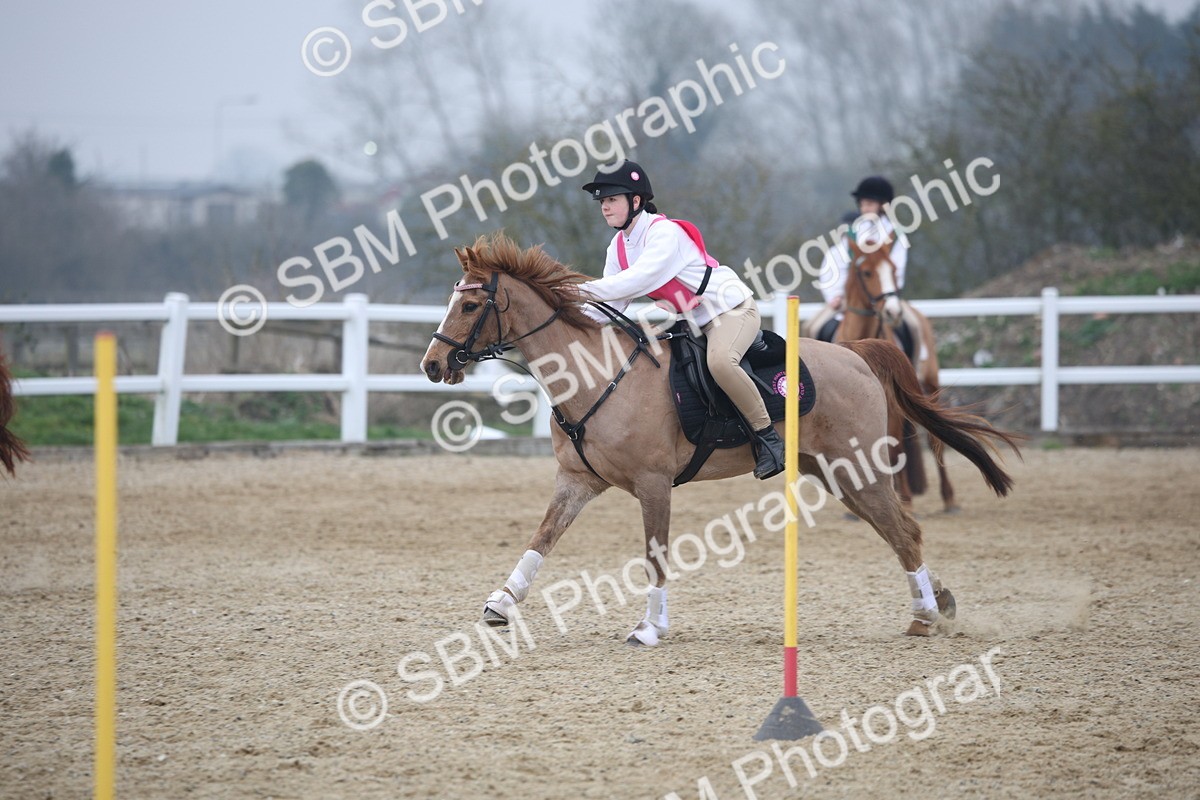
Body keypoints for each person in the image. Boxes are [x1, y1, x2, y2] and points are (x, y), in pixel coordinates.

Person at [575, 160, 785, 479]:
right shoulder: (617, 248)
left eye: (612, 199)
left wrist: (575, 290)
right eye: (602, 201)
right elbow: (609, 304)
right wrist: (564, 320)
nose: (604, 207)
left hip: (730, 310)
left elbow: (636, 281)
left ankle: (769, 438)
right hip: (691, 321)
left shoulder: (664, 233)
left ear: (636, 201)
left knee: (721, 363)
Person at [812, 176, 909, 342]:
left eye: (869, 204)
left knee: (914, 327)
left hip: (886, 297)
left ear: (882, 205)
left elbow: (897, 269)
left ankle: (913, 359)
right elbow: (835, 264)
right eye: (862, 204)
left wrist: (889, 296)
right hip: (851, 299)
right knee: (813, 328)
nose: (864, 209)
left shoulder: (896, 235)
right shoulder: (853, 234)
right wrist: (836, 295)